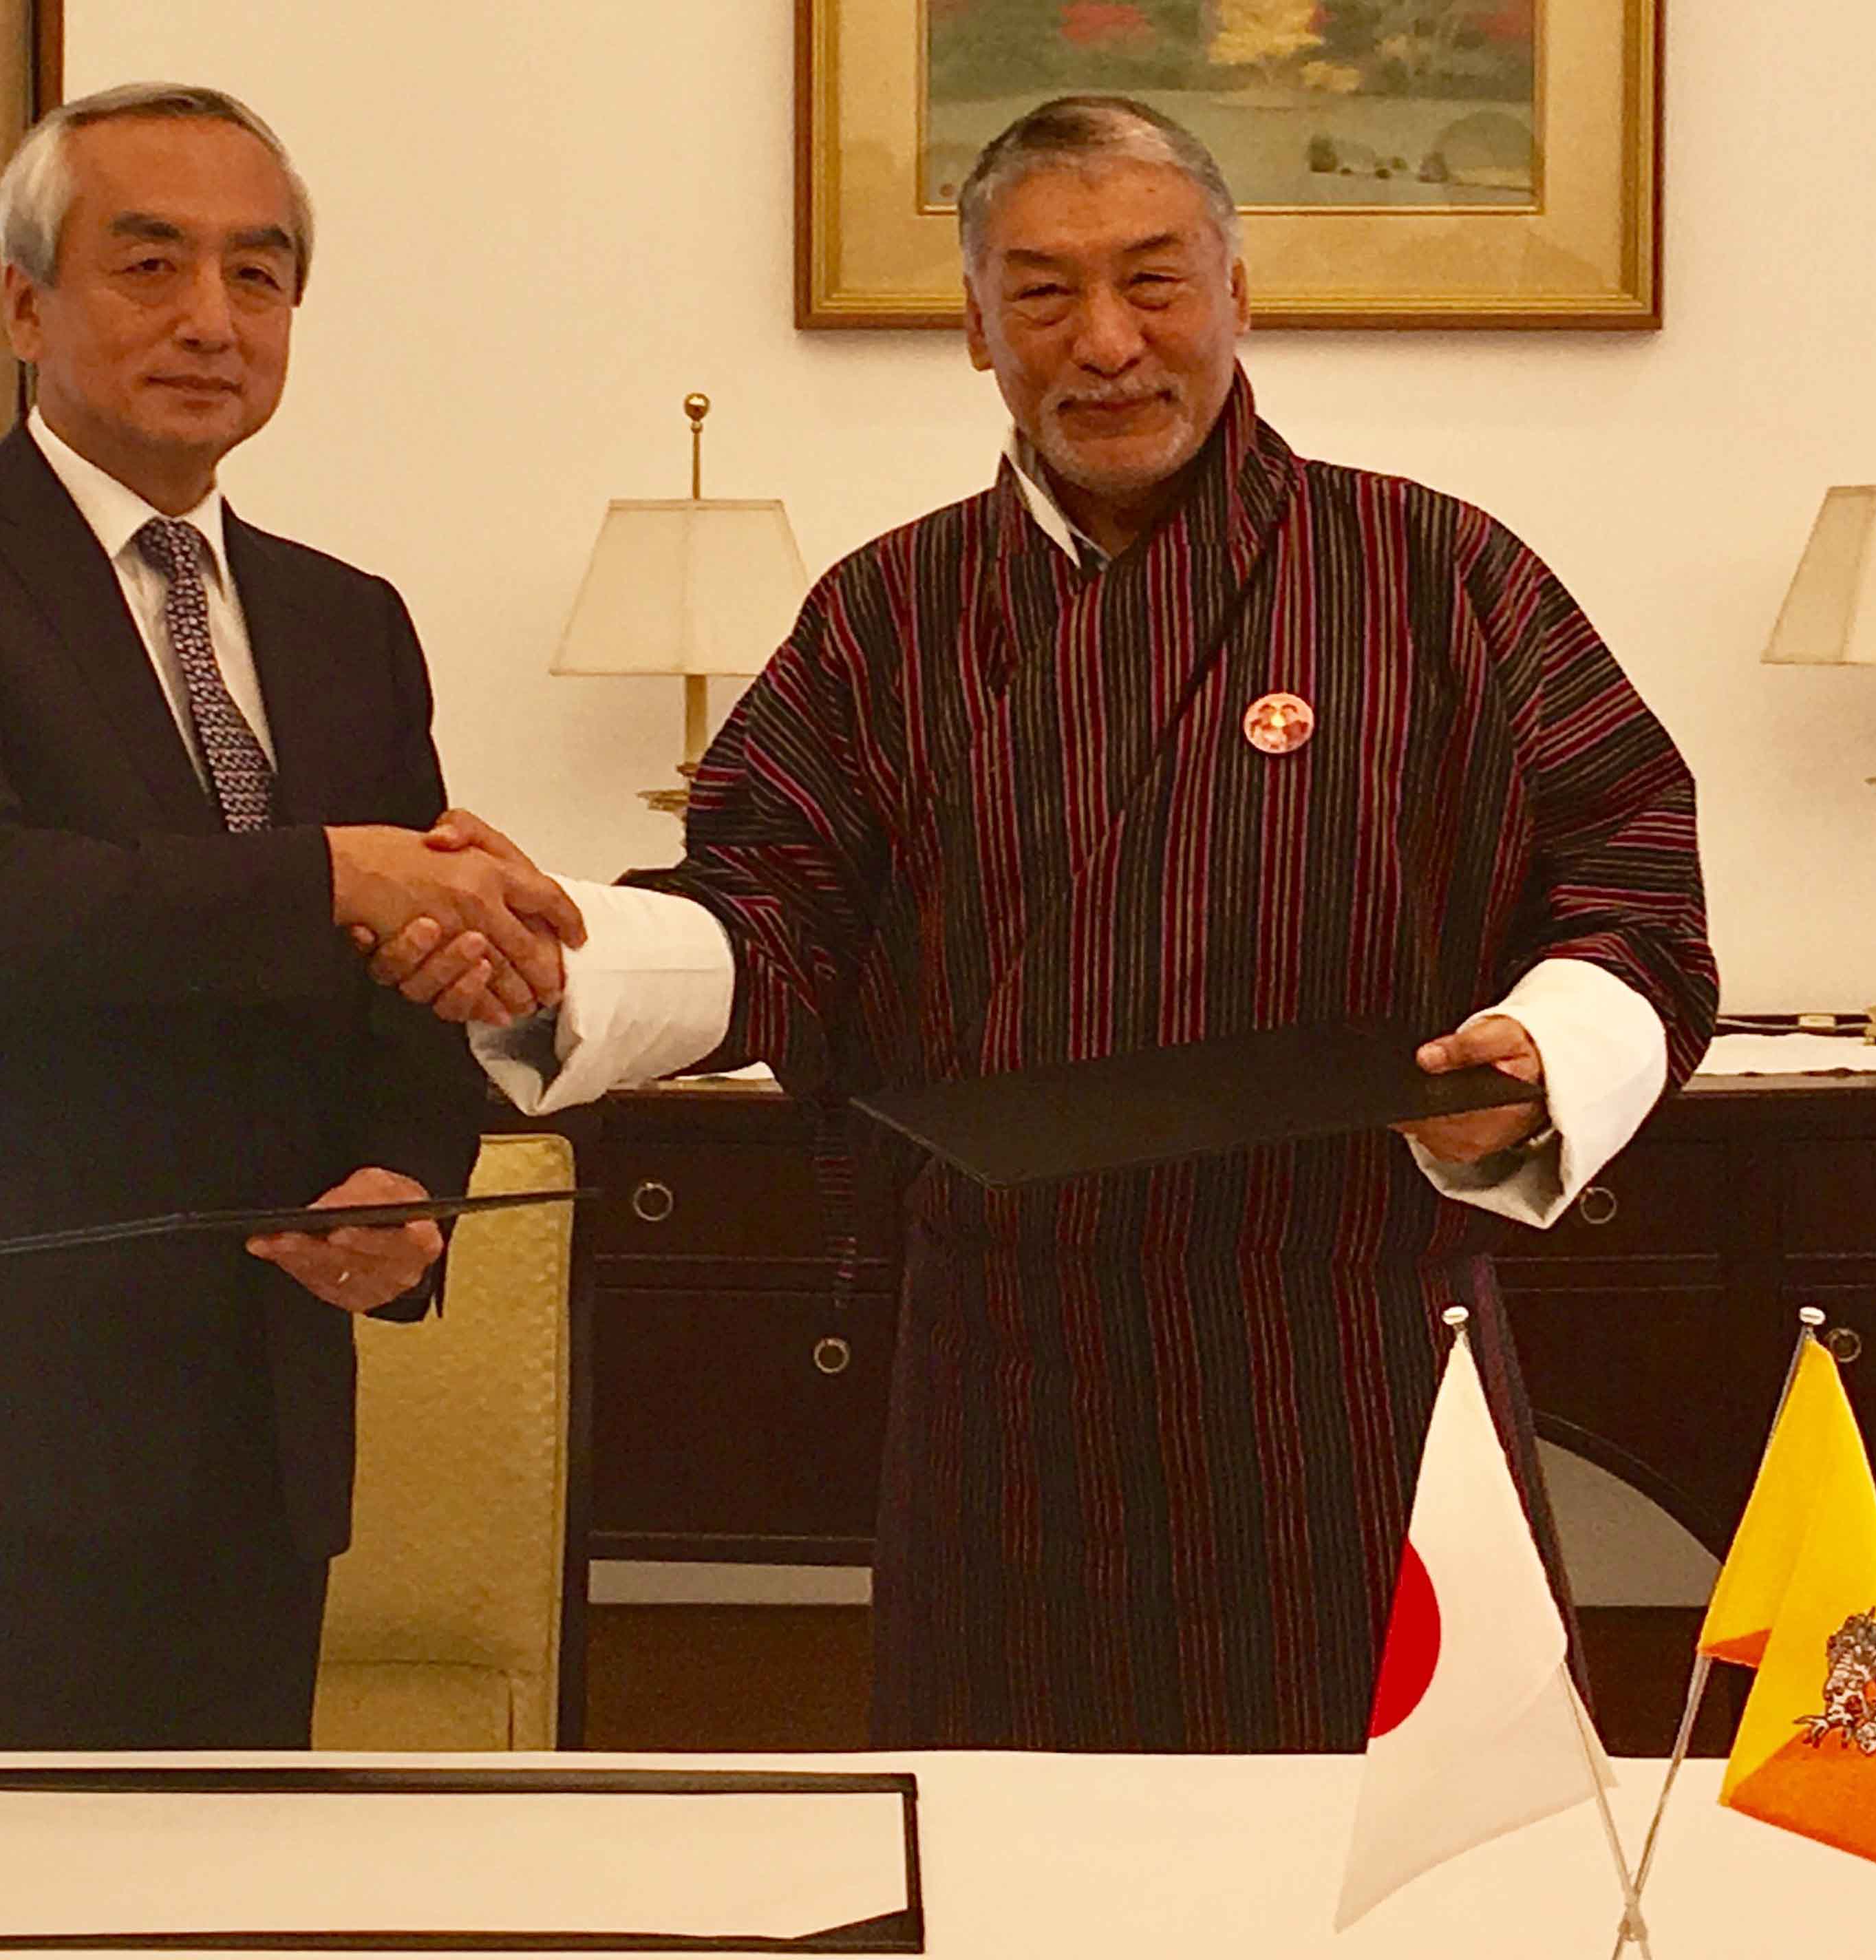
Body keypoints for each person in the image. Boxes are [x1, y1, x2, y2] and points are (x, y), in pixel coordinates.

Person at [387, 96, 1716, 1752]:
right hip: (1011, 1373)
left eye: (1153, 282)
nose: (1105, 342)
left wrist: (1539, 1058)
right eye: (1041, 293)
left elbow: (1632, 885)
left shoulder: (1435, 570)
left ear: (1237, 293)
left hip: (1353, 1345)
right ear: (973, 324)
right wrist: (555, 951)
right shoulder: (888, 610)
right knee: (1014, 1844)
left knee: (1407, 1850)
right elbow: (768, 914)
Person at [0, 83, 581, 1751]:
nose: (211, 318)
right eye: (149, 263)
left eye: (259, 273)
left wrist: (407, 1177)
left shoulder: (347, 620)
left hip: (251, 1422)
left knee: (220, 1875)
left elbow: (402, 991)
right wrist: (333, 870)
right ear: (25, 305)